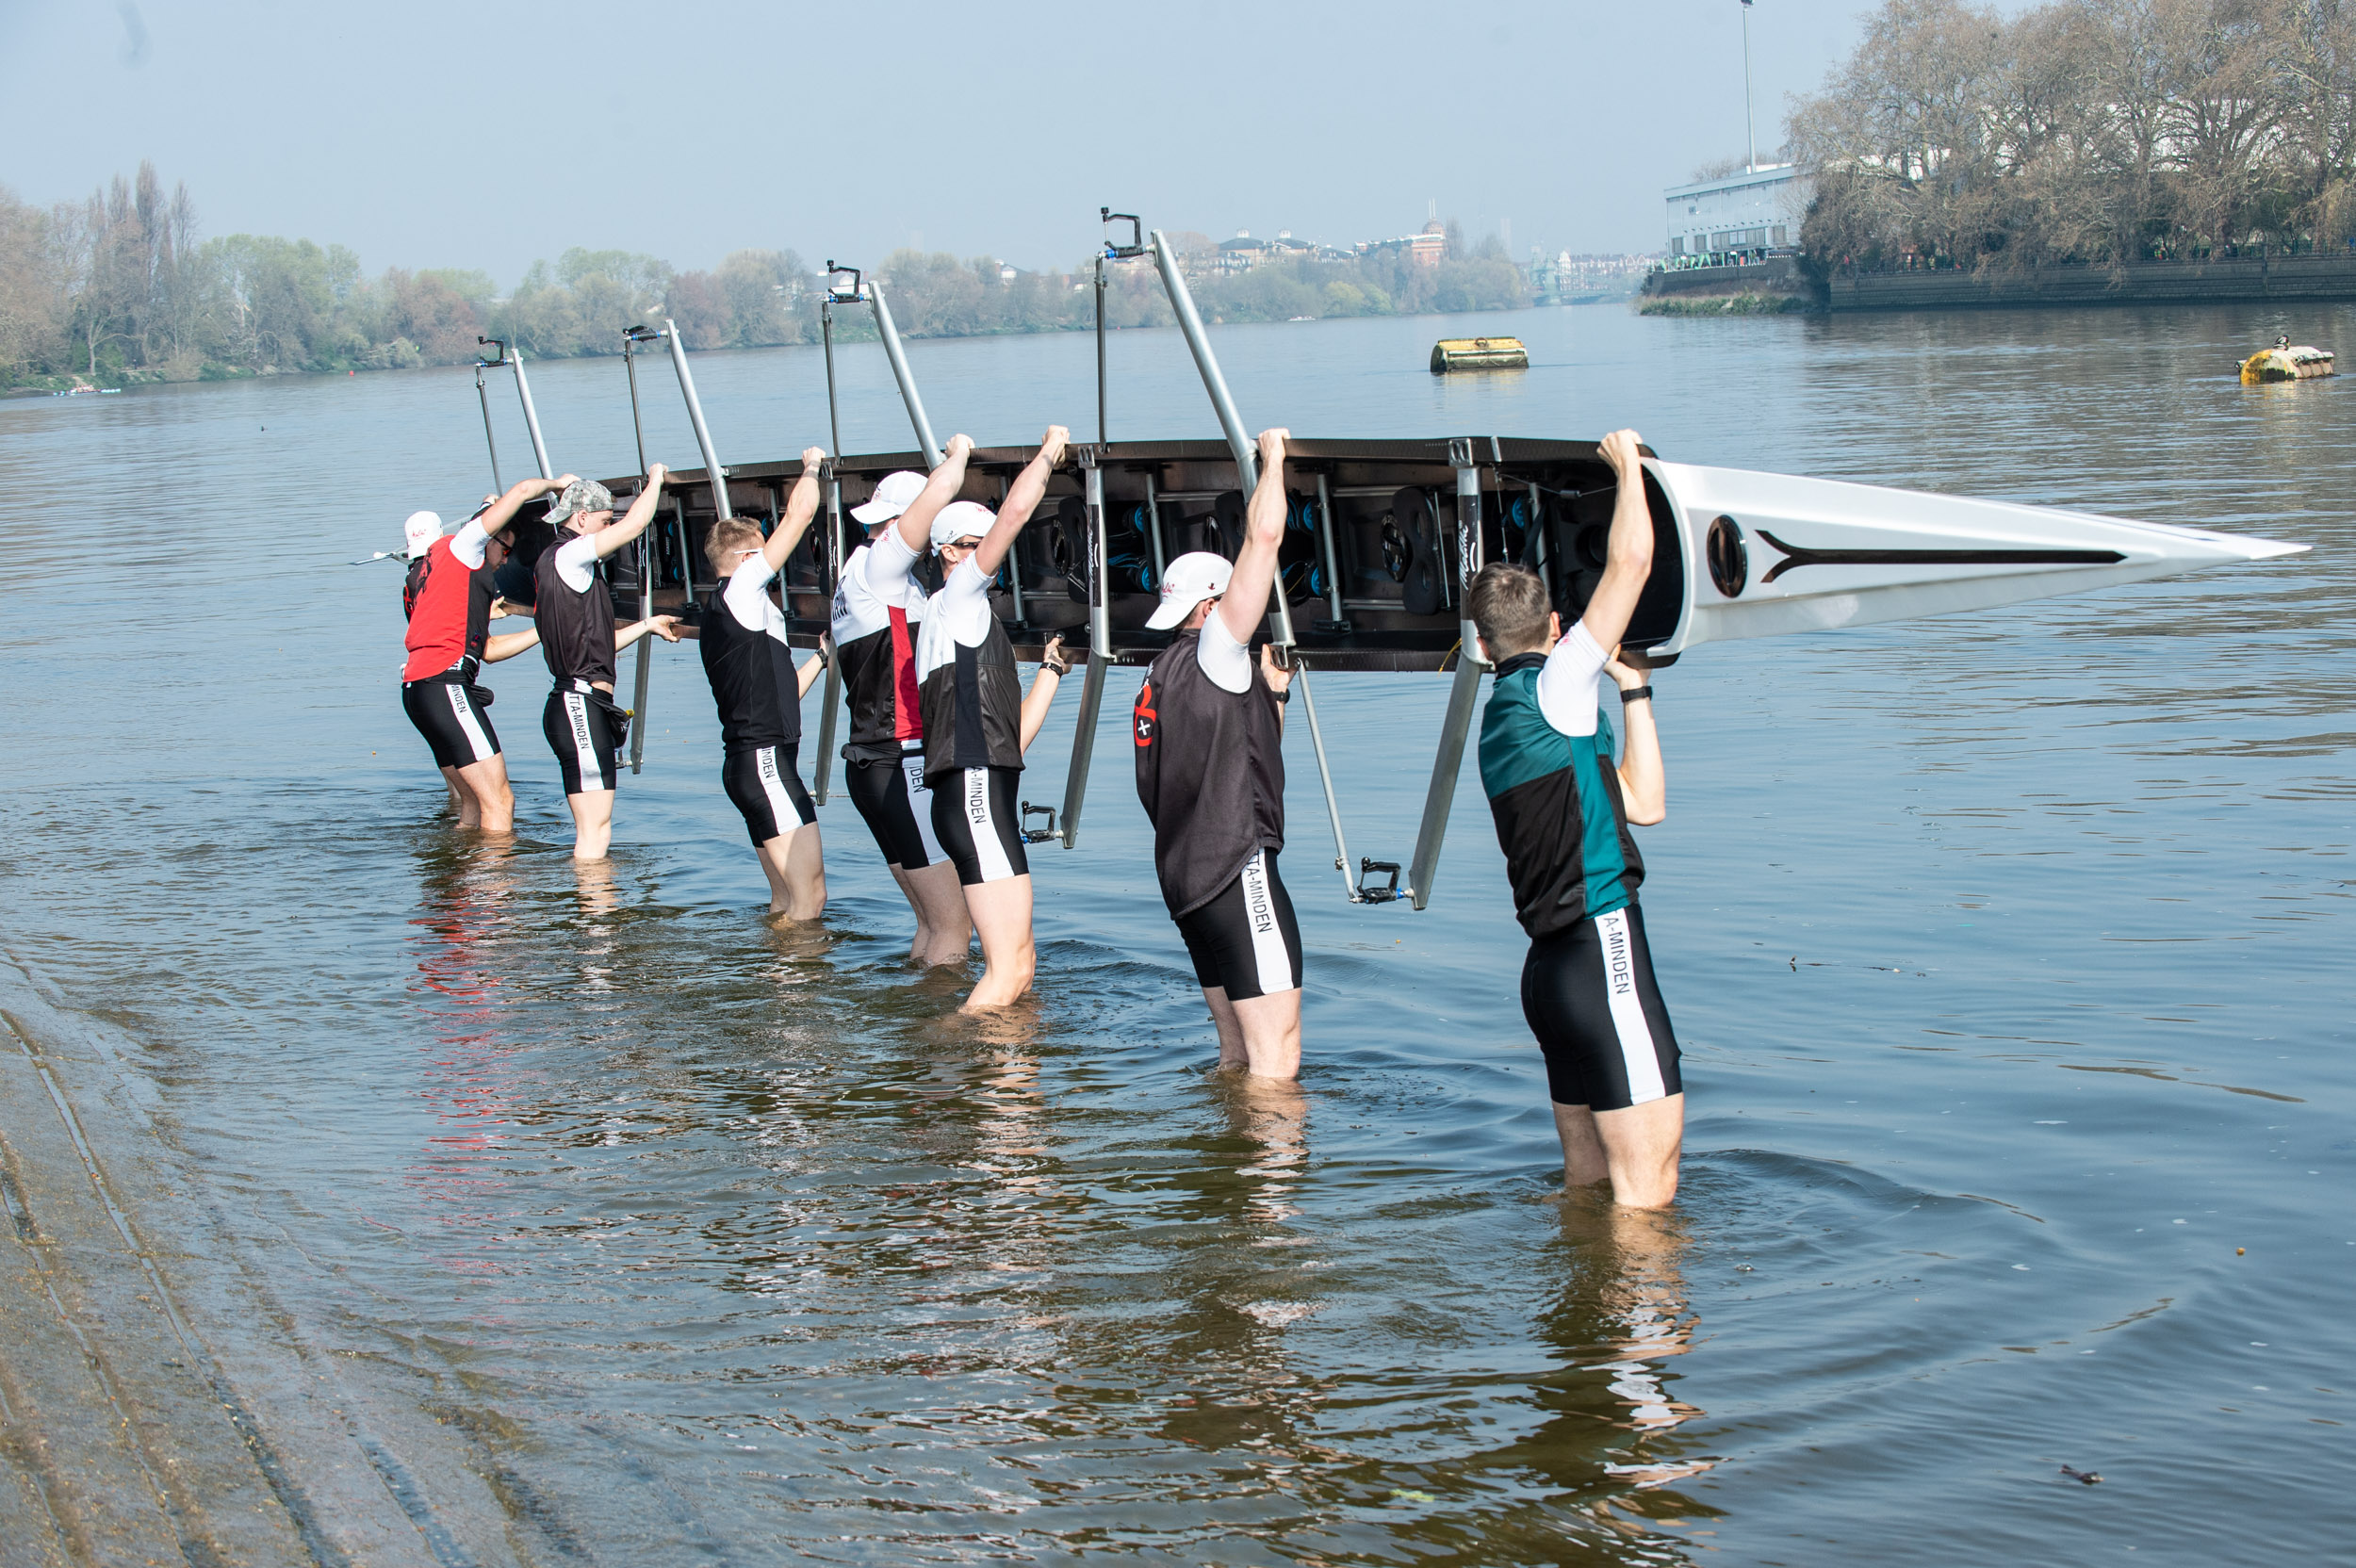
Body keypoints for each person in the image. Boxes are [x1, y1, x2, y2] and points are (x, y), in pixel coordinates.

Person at [1465, 428, 1677, 1208]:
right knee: (1647, 1197)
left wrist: (1635, 692)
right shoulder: (1558, 688)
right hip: (1604, 952)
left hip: (1552, 973)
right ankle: (1647, 1333)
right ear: (1557, 630)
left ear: (1481, 647)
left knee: (1588, 1192)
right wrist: (1629, 472)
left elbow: (1644, 809)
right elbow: (1631, 566)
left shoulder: (1510, 724)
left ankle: (1582, 1327)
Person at [1133, 427, 1303, 1080]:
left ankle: (1225, 1171)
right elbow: (1263, 539)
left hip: (1185, 878)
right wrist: (1275, 461)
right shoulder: (1218, 656)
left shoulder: (1159, 673)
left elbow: (1238, 760)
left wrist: (1276, 699)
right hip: (1236, 871)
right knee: (1276, 1061)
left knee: (1235, 1056)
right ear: (1213, 603)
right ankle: (1271, 1184)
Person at [880, 427, 1072, 1008]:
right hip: (975, 798)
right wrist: (1047, 455)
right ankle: (942, 1066)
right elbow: (1015, 512)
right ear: (948, 554)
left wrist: (1051, 673)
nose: (985, 553)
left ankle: (1003, 1091)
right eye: (971, 544)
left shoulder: (951, 621)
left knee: (1019, 966)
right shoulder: (960, 598)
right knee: (1009, 972)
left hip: (976, 795)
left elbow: (1007, 740)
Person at [829, 466, 971, 965]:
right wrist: (957, 457)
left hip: (872, 762)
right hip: (901, 758)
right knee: (954, 925)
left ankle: (917, 1030)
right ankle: (946, 1039)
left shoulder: (851, 576)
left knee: (931, 923)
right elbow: (934, 498)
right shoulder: (880, 572)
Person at [699, 448, 831, 918]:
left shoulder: (724, 614)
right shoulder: (742, 591)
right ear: (750, 557)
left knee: (784, 900)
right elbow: (800, 515)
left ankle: (777, 984)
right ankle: (799, 991)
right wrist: (812, 467)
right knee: (810, 898)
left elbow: (778, 696)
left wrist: (820, 659)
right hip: (766, 765)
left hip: (749, 763)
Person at [533, 468, 683, 859]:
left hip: (581, 703)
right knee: (594, 830)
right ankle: (596, 918)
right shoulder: (570, 553)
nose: (607, 530)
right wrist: (655, 479)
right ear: (581, 518)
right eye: (603, 522)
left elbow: (599, 646)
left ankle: (597, 911)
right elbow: (635, 524)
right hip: (578, 705)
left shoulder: (560, 565)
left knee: (597, 828)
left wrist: (647, 625)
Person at [398, 478, 561, 832]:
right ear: (490, 538)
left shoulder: (439, 567)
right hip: (445, 684)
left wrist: (544, 629)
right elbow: (520, 492)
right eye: (506, 551)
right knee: (500, 802)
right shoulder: (466, 546)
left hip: (419, 689)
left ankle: (458, 883)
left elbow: (488, 650)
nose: (505, 561)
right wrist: (559, 483)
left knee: (472, 805)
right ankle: (495, 887)